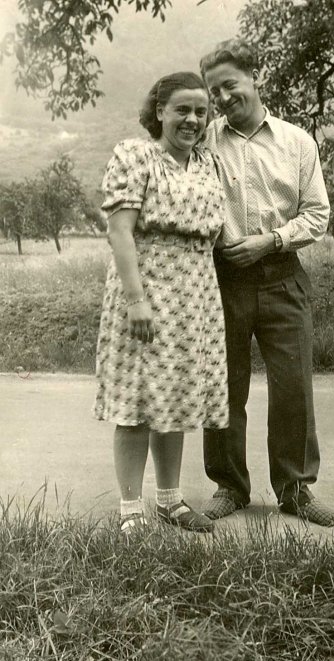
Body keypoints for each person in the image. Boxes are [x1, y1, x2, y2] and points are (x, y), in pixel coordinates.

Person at [199, 40, 334, 527]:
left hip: (283, 278)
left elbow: (317, 214)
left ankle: (296, 490)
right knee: (223, 387)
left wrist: (272, 242)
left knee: (293, 388)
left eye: (229, 85)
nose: (221, 97)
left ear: (254, 76)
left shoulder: (298, 142)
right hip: (224, 280)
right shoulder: (204, 142)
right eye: (213, 90)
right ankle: (229, 486)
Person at [93, 72, 228, 535]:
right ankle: (131, 509)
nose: (192, 119)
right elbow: (120, 231)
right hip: (145, 291)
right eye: (182, 110)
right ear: (159, 111)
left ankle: (170, 500)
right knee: (136, 401)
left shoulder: (208, 164)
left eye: (200, 111)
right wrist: (136, 300)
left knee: (176, 399)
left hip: (196, 296)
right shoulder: (136, 155)